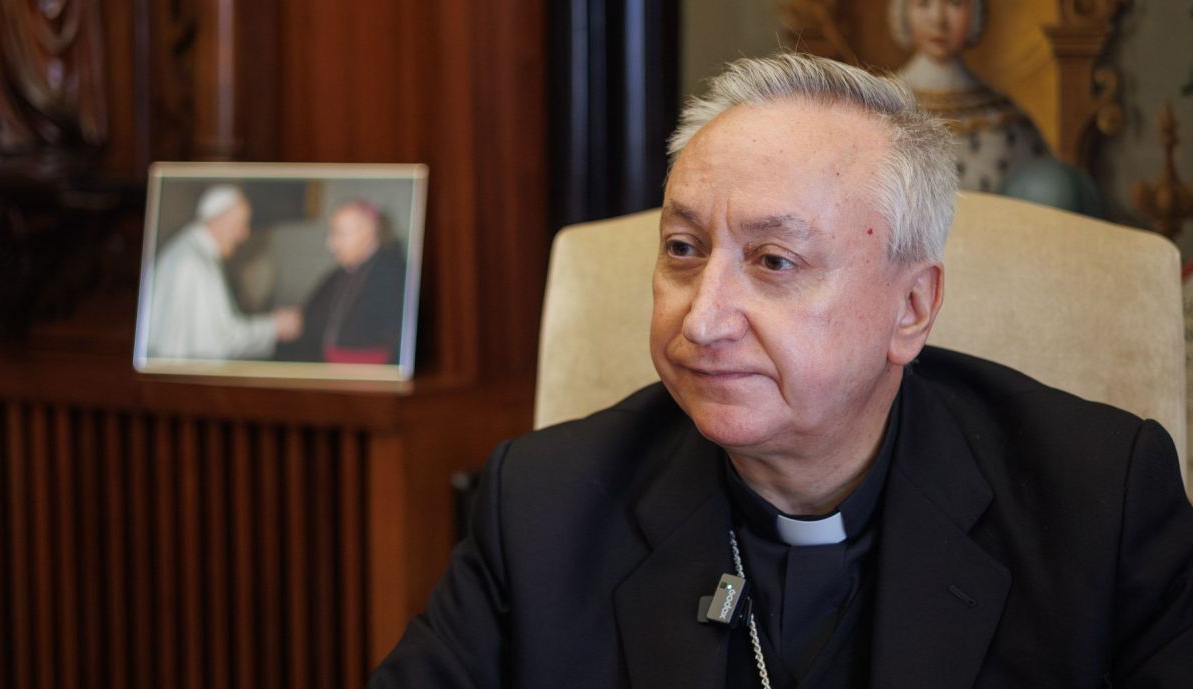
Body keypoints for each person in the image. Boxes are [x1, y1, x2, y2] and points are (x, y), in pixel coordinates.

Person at [369, 52, 1193, 687]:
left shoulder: (1099, 502)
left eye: (774, 260)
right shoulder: (543, 503)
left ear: (911, 309)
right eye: (683, 250)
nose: (703, 317)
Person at [890, 0, 1053, 194]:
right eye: (923, 3)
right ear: (903, 11)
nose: (938, 20)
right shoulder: (879, 104)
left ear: (975, 12)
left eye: (955, 4)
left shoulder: (1003, 116)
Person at [147, 185, 302, 359]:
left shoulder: (186, 248)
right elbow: (219, 341)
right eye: (242, 224)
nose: (244, 234)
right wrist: (274, 326)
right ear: (220, 219)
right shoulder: (194, 263)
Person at [275, 200, 404, 364]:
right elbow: (314, 313)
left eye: (339, 233)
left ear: (369, 231)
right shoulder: (341, 271)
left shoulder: (394, 274)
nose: (330, 244)